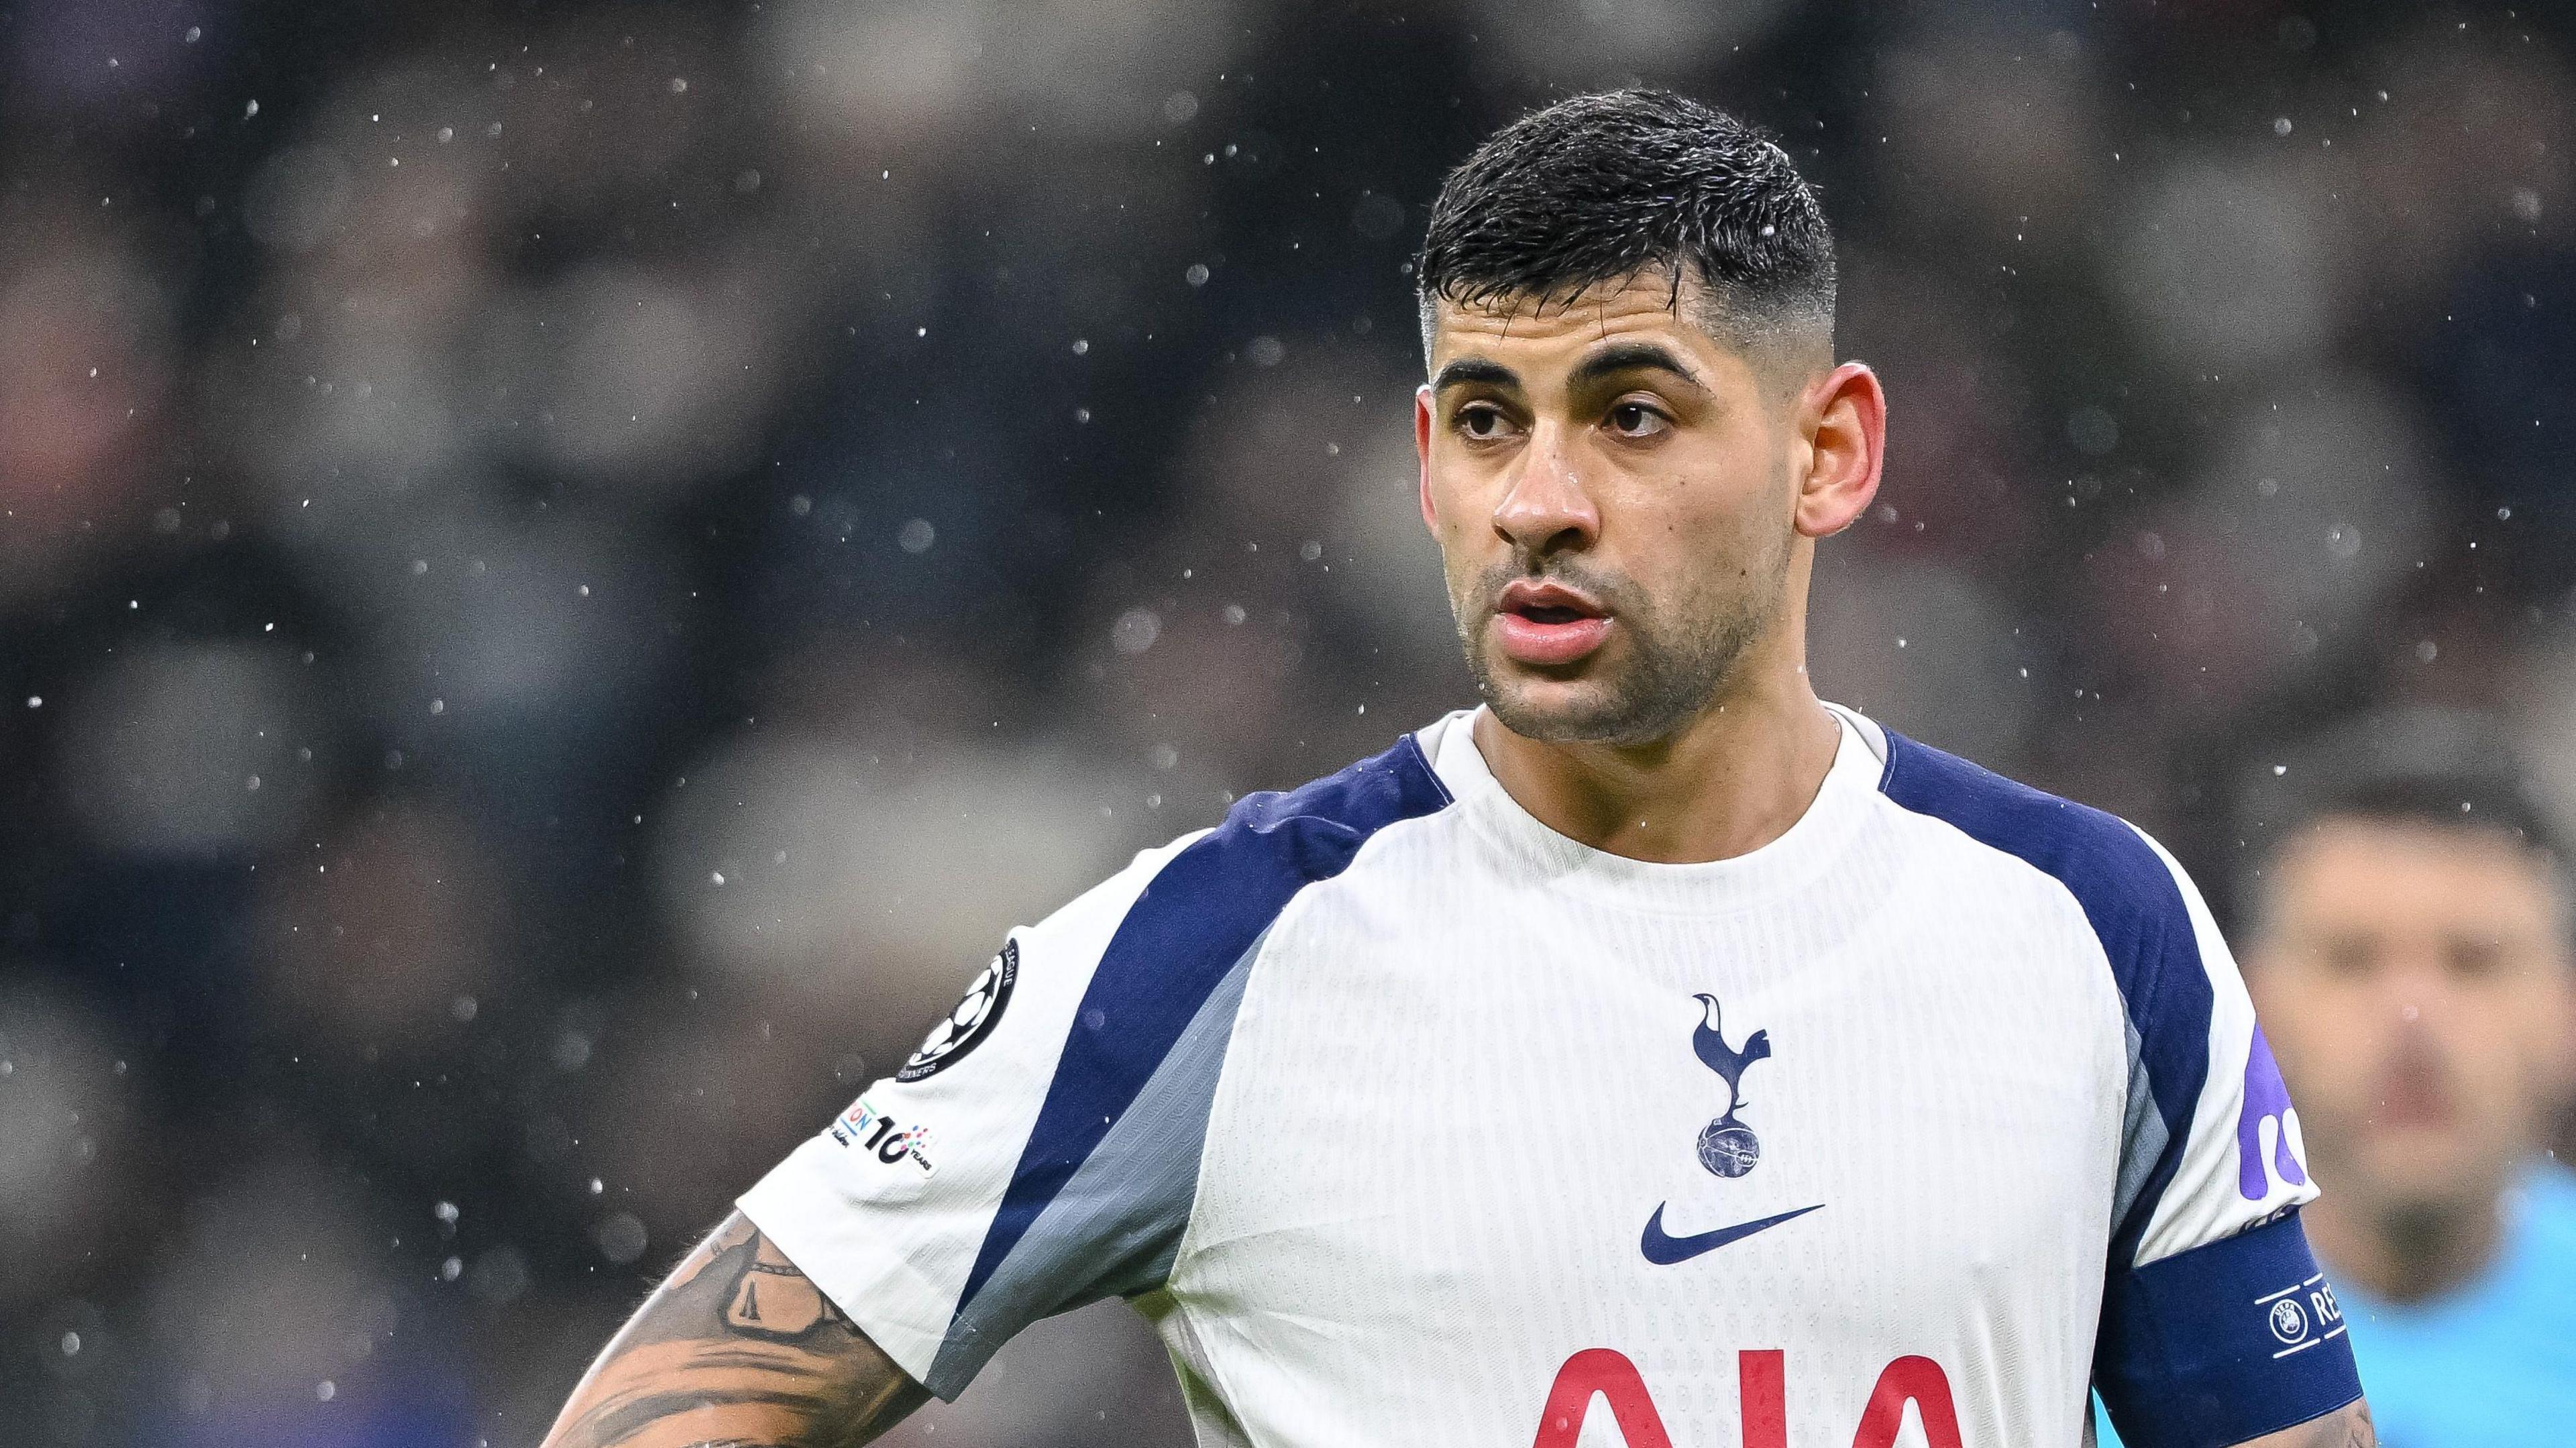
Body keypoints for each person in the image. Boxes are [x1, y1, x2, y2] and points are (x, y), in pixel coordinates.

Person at [539, 90, 2369, 1448]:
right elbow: (677, 1402)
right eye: (1488, 420)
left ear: (1829, 451)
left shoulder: (2092, 925)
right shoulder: (1219, 950)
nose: (1538, 500)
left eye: (1631, 414)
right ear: (1425, 462)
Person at [2098, 712, 2576, 1447]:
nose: (2414, 1016)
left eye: (2472, 960)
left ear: (2564, 1007)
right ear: (2248, 1004)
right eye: (2353, 959)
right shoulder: (2094, 1341)